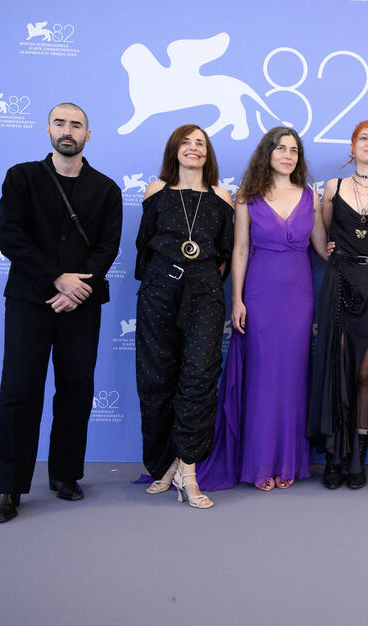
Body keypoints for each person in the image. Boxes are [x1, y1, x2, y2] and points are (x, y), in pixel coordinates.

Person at [0, 102, 122, 524]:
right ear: (48, 129)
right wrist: (55, 280)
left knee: (77, 389)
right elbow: (10, 236)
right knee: (18, 391)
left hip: (80, 305)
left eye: (77, 125)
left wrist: (76, 288)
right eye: (61, 123)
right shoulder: (21, 177)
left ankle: (66, 475)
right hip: (30, 300)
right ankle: (8, 487)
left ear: (88, 134)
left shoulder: (106, 189)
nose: (68, 130)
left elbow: (107, 246)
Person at [197, 127, 328, 492]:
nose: (288, 155)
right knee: (262, 380)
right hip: (259, 295)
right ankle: (258, 463)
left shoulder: (310, 196)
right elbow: (239, 251)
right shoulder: (247, 197)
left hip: (299, 299)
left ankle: (288, 461)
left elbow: (321, 247)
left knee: (291, 379)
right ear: (266, 153)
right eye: (280, 148)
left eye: (294, 150)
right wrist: (237, 299)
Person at [135, 124, 234, 509]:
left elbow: (225, 253)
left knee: (199, 376)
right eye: (186, 142)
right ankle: (164, 463)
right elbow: (144, 247)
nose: (193, 149)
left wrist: (200, 280)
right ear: (174, 149)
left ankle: (188, 470)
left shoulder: (222, 196)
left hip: (205, 294)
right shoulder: (156, 191)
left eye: (201, 144)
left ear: (208, 154)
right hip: (159, 290)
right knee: (156, 376)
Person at [308, 120, 368, 490]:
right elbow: (323, 230)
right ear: (352, 147)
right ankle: (334, 454)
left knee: (366, 374)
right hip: (340, 281)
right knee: (339, 369)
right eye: (363, 138)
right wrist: (327, 252)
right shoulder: (333, 187)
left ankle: (357, 457)